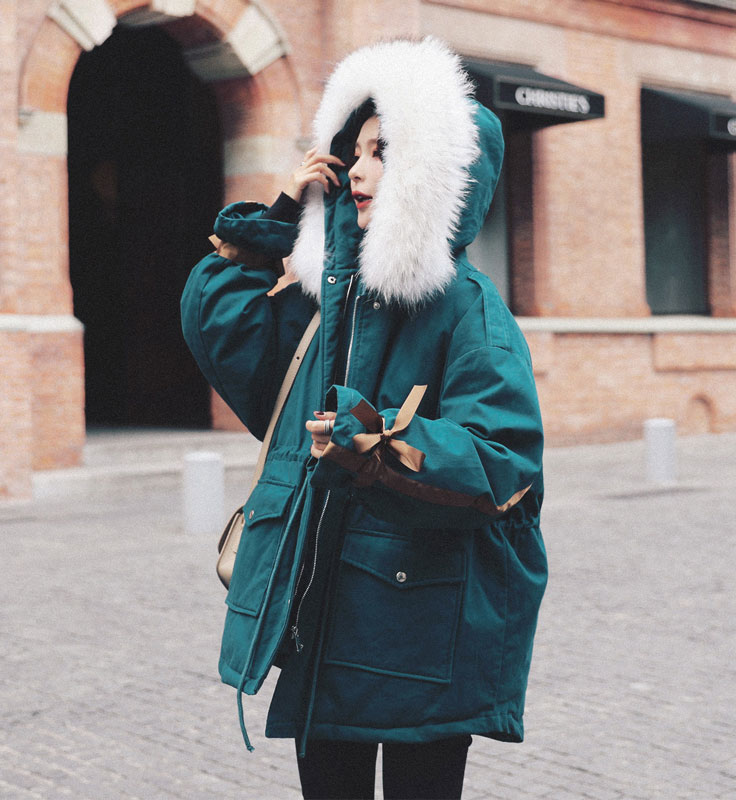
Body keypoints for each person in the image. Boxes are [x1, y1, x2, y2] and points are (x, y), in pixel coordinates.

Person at [181, 36, 547, 800]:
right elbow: (221, 323)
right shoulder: (332, 305)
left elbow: (502, 462)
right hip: (326, 626)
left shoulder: (470, 312)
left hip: (421, 637)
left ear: (433, 174)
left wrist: (376, 443)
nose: (356, 170)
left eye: (382, 153)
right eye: (354, 152)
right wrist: (283, 218)